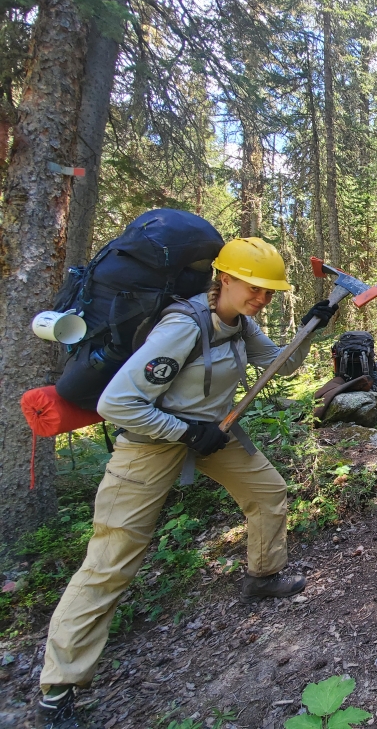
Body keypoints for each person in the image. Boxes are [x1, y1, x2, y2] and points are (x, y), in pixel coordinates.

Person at [37, 237, 339, 727]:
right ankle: (58, 688)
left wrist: (312, 326)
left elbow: (281, 363)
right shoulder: (182, 326)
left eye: (269, 292)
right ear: (225, 278)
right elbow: (116, 403)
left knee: (267, 491)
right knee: (111, 559)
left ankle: (263, 577)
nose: (261, 298)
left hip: (212, 434)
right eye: (253, 287)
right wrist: (183, 430)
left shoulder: (241, 325)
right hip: (149, 443)